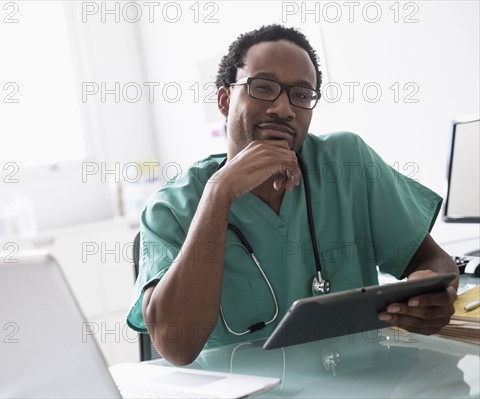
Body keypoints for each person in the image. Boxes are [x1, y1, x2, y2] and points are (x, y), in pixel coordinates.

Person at [126, 24, 458, 366]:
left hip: (363, 382)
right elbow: (175, 347)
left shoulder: (347, 163)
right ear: (225, 101)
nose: (283, 109)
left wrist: (430, 294)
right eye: (263, 87)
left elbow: (433, 262)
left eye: (301, 94)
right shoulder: (172, 207)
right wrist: (219, 193)